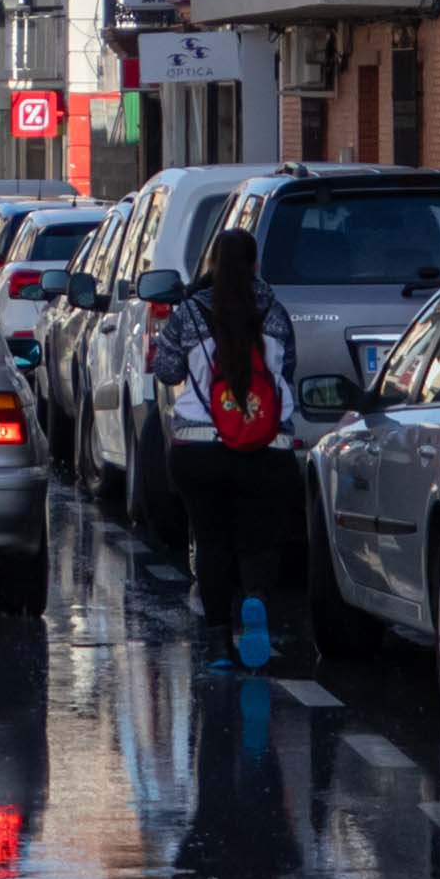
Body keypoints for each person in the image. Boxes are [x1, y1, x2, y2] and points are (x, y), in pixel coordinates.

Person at [145, 223, 310, 672]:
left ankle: (218, 643)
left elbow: (164, 369)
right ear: (256, 265)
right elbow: (287, 371)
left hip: (199, 448)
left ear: (214, 264)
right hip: (268, 446)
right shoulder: (274, 312)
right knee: (259, 541)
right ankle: (255, 599)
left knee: (213, 542)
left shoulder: (191, 312)